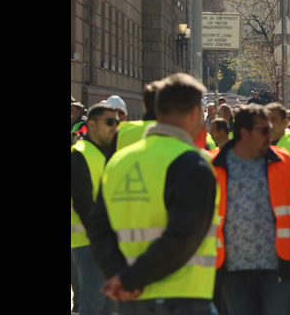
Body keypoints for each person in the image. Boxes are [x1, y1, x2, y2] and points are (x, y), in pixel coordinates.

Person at [86, 73, 218, 315]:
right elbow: (184, 234)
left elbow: (98, 226)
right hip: (183, 295)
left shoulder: (119, 161)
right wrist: (130, 279)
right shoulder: (194, 163)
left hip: (131, 299)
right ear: (193, 113)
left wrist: (118, 275)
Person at [211, 104, 290, 315]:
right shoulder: (214, 164)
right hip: (232, 268)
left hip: (277, 265)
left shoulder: (283, 161)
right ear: (244, 133)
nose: (269, 135)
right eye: (264, 131)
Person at [71, 103, 119, 315]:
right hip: (89, 245)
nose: (114, 127)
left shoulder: (106, 154)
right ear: (91, 124)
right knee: (91, 307)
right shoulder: (79, 155)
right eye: (109, 122)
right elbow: (83, 204)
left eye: (116, 122)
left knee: (109, 308)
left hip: (104, 244)